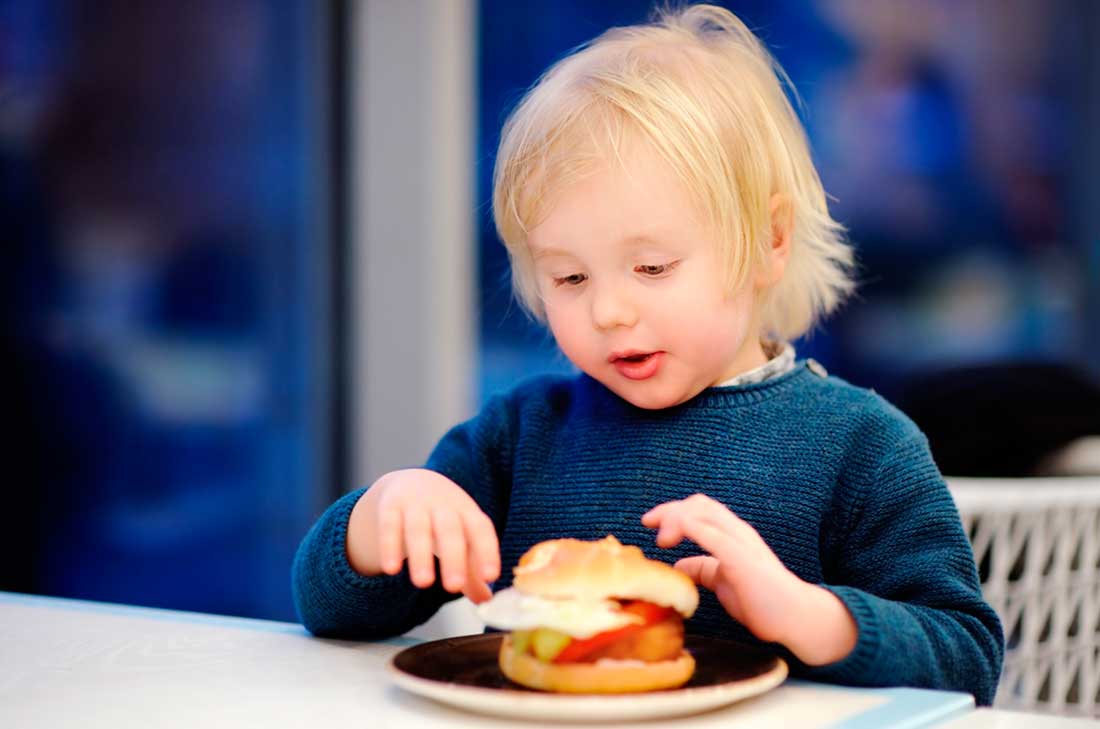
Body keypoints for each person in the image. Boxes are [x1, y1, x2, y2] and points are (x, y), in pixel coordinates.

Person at [292, 4, 1003, 704]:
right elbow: (332, 611)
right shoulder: (522, 435)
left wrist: (813, 616)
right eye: (570, 278)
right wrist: (377, 520)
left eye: (653, 267)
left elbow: (968, 656)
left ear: (769, 240)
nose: (608, 310)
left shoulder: (860, 446)